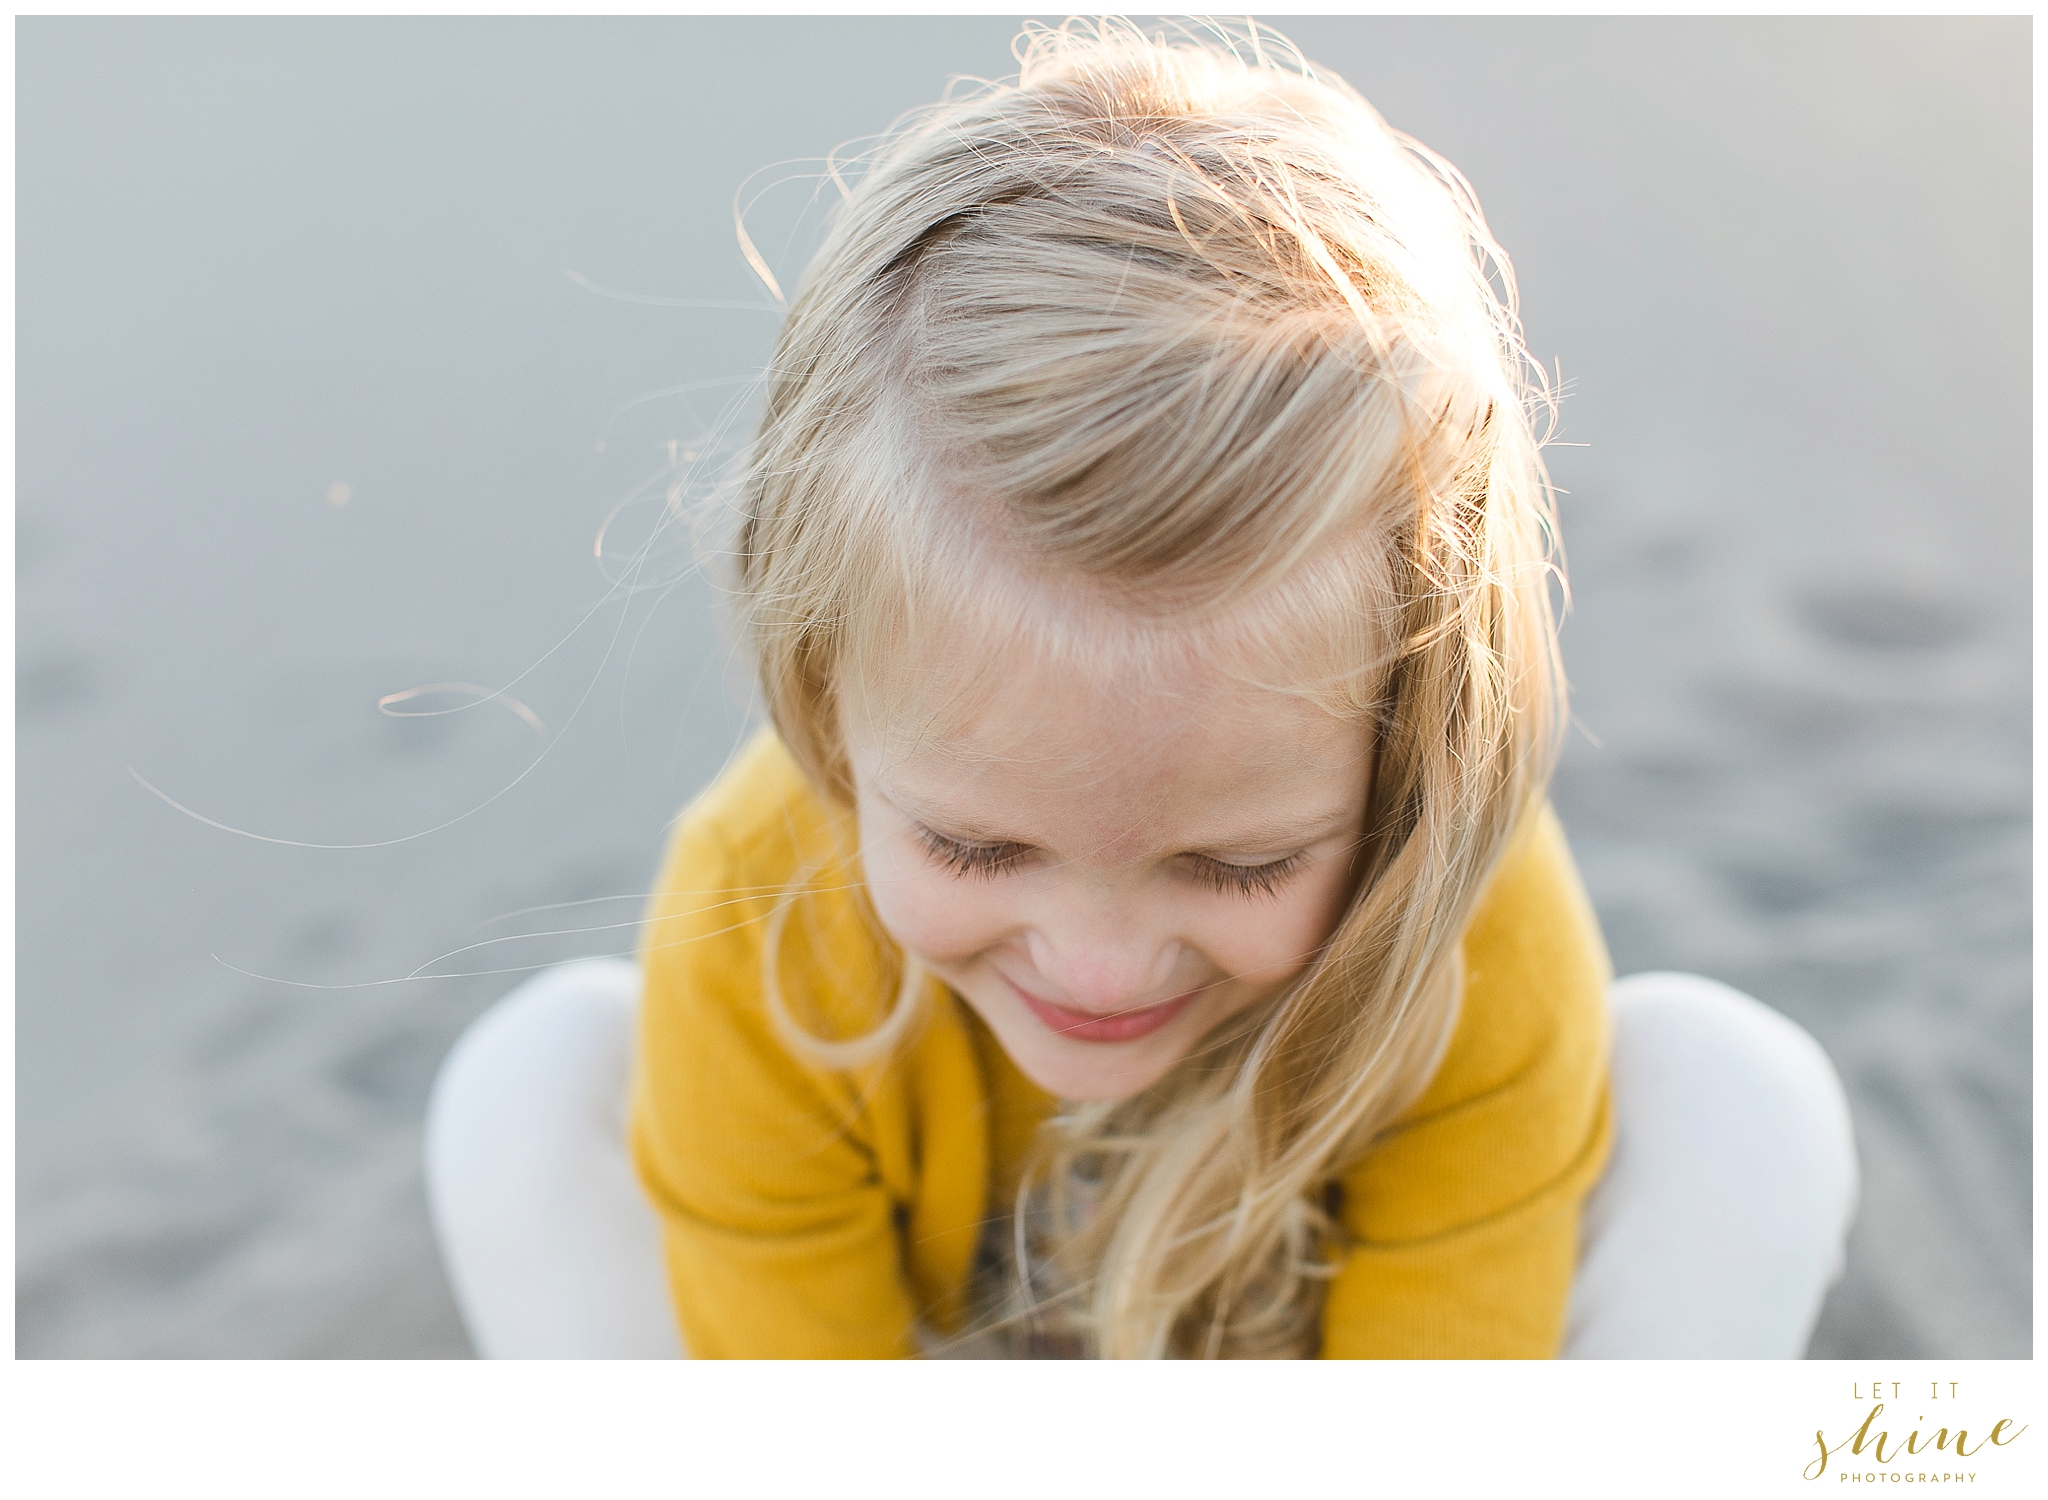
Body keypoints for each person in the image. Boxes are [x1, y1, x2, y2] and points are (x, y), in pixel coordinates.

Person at [424, 21, 1858, 1359]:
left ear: (1415, 747)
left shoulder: (1474, 942)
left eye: (1238, 865)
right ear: (826, 711)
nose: (1101, 969)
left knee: (1735, 1100)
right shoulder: (755, 927)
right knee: (532, 1086)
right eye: (974, 846)